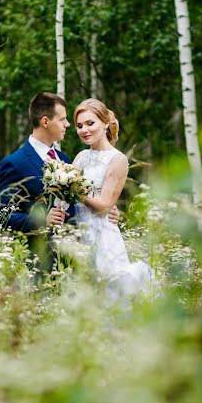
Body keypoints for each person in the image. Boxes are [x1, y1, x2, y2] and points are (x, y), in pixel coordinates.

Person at [0, 93, 118, 275]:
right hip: (38, 264)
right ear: (46, 122)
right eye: (62, 119)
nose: (68, 124)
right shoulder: (14, 163)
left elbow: (77, 201)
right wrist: (43, 221)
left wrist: (105, 209)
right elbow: (3, 216)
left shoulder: (65, 159)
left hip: (73, 262)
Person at [72, 98, 153, 300]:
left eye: (90, 123)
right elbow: (65, 195)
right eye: (79, 125)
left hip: (101, 233)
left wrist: (75, 188)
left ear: (106, 123)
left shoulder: (118, 159)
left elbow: (104, 206)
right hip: (76, 231)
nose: (84, 130)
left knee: (107, 292)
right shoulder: (80, 156)